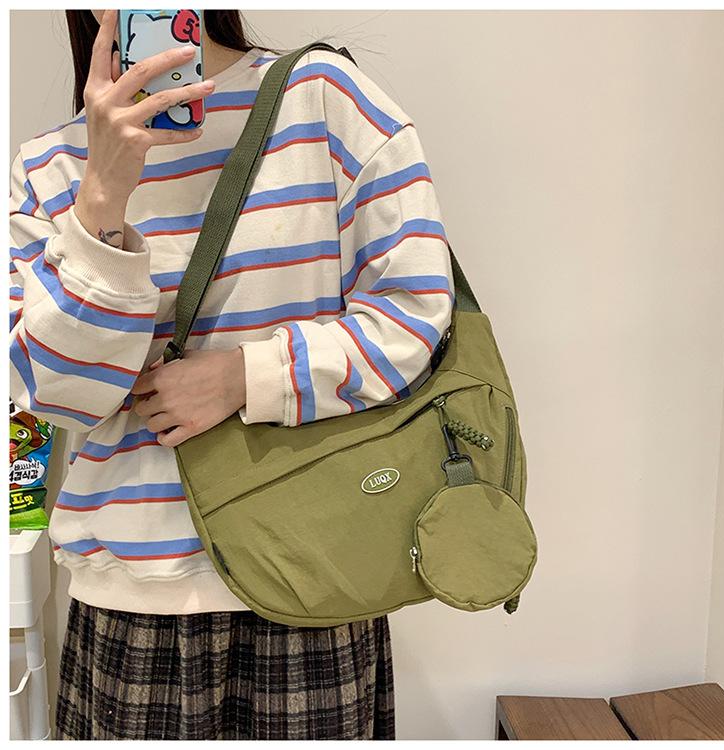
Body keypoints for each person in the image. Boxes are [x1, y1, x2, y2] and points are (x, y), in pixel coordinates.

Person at [9, 8, 455, 741]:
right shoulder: (49, 167)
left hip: (313, 578)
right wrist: (102, 200)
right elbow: (60, 396)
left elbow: (414, 315)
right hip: (134, 603)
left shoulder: (324, 99)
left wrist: (245, 377)